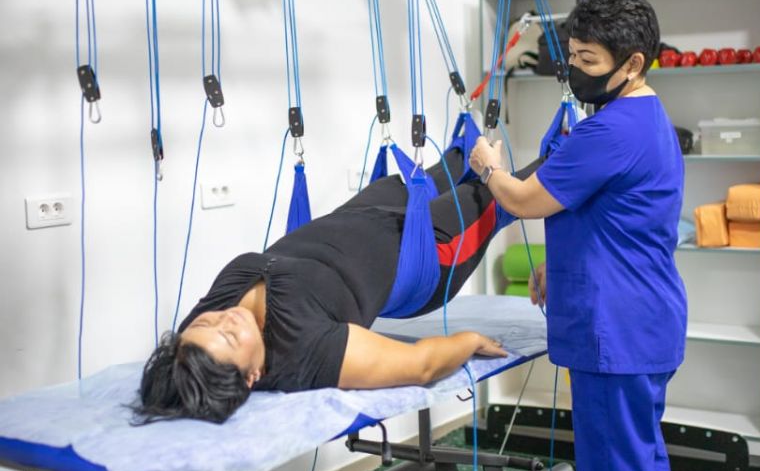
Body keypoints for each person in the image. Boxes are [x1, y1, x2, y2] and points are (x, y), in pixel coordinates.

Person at [469, 0, 687, 471]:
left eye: (589, 60)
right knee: (643, 464)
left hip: (616, 332)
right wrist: (556, 268)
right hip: (643, 318)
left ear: (633, 62)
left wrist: (489, 168)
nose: (576, 71)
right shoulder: (646, 118)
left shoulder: (610, 130)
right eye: (573, 56)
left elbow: (525, 198)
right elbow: (611, 216)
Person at [135, 148, 541, 424]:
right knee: (514, 186)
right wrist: (469, 341)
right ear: (251, 377)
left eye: (205, 324)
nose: (223, 319)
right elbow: (422, 365)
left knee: (460, 153)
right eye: (228, 336)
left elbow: (177, 374)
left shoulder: (198, 342)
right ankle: (574, 139)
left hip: (372, 209)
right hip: (426, 250)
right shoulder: (303, 352)